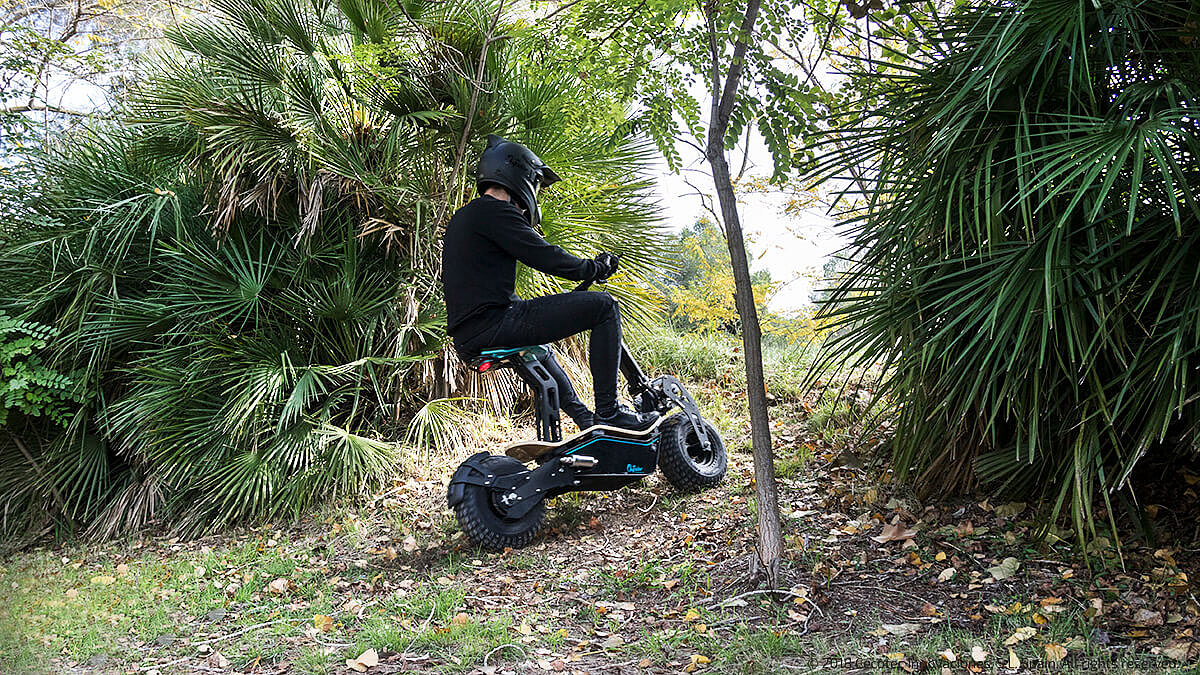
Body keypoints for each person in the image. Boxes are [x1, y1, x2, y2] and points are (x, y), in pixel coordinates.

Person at [441, 134, 659, 432]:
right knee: (605, 307)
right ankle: (609, 411)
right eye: (537, 186)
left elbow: (482, 286)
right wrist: (592, 268)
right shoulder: (496, 211)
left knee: (540, 349)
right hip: (496, 323)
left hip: (470, 336)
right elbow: (544, 256)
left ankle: (585, 419)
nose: (535, 196)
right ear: (520, 177)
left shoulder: (464, 217)